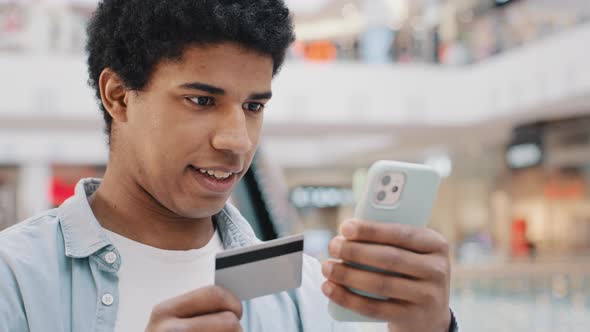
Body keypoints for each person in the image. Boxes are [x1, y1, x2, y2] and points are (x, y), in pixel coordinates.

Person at [0, 1, 457, 331]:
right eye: (201, 100)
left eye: (254, 106)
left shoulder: (305, 292)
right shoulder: (15, 279)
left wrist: (430, 329)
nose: (238, 140)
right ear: (118, 96)